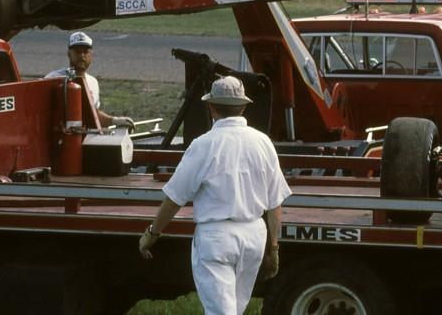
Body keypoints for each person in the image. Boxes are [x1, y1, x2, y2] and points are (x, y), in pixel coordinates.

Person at [139, 75, 290, 315]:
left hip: (217, 237)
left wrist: (153, 232)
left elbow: (175, 197)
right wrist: (273, 248)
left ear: (211, 107)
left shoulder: (204, 144)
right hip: (254, 236)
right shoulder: (263, 142)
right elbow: (275, 203)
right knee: (235, 310)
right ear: (243, 106)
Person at [45, 31, 134, 128]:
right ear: (69, 54)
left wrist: (114, 120)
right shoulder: (52, 79)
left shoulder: (93, 82)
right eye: (78, 52)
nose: (82, 55)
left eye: (85, 52)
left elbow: (93, 116)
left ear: (91, 54)